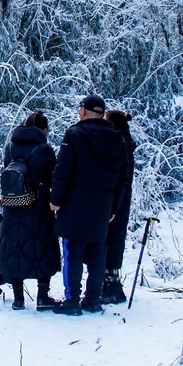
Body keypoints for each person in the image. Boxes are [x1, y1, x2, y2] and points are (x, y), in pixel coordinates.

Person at [49, 95, 125, 316]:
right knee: (97, 253)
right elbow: (123, 178)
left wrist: (55, 200)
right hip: (102, 206)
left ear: (83, 111)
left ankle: (72, 300)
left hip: (75, 204)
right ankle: (92, 299)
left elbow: (63, 170)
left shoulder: (74, 135)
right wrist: (114, 208)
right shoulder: (117, 139)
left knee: (73, 252)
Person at [0, 111, 61, 311]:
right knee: (41, 246)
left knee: (15, 246)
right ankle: (42, 296)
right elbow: (53, 177)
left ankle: (18, 299)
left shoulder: (10, 147)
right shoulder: (44, 149)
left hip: (12, 204)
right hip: (37, 206)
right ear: (43, 129)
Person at [101, 109, 137, 304]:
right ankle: (110, 283)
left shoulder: (119, 146)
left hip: (116, 201)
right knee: (114, 239)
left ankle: (112, 286)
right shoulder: (125, 143)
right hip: (120, 200)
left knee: (111, 239)